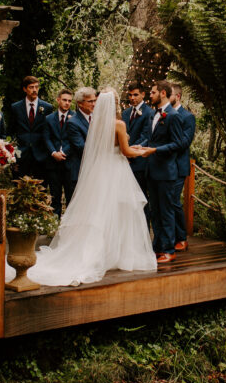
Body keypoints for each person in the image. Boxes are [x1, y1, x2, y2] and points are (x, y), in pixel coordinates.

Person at [8, 89, 156, 286]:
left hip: (101, 170)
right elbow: (126, 151)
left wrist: (133, 150)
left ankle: (103, 252)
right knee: (118, 210)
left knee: (99, 211)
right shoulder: (118, 124)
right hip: (116, 170)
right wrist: (144, 152)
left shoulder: (96, 124)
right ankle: (116, 254)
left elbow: (102, 148)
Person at [138, 81, 187, 263]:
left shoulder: (173, 116)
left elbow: (178, 144)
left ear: (163, 93)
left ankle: (168, 250)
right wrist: (141, 146)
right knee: (155, 211)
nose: (150, 95)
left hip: (166, 172)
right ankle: (157, 247)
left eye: (153, 92)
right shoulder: (152, 115)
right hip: (152, 171)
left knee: (166, 212)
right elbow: (151, 140)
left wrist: (155, 151)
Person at [9, 76, 52, 180]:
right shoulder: (15, 107)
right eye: (31, 87)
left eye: (36, 87)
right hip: (20, 154)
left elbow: (49, 132)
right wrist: (12, 153)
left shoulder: (47, 107)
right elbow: (11, 131)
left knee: (41, 189)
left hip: (40, 155)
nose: (34, 90)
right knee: (19, 188)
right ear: (24, 89)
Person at [169, 83, 196, 252]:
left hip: (178, 166)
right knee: (165, 202)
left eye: (168, 95)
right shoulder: (162, 114)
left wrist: (162, 146)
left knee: (173, 201)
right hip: (163, 166)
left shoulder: (187, 117)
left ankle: (181, 238)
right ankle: (168, 237)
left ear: (177, 96)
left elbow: (185, 142)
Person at [43, 89, 75, 218]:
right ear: (58, 100)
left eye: (69, 101)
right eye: (64, 100)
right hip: (53, 163)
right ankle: (54, 225)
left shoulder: (75, 117)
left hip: (69, 162)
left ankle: (69, 224)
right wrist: (53, 152)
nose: (67, 103)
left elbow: (75, 139)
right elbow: (46, 138)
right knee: (55, 196)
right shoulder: (48, 119)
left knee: (70, 196)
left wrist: (63, 152)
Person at [122, 82, 153, 207]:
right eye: (130, 95)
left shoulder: (149, 113)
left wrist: (130, 152)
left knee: (141, 199)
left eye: (135, 95)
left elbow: (146, 136)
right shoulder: (125, 113)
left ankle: (143, 225)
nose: (132, 98)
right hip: (124, 162)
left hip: (139, 162)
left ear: (143, 94)